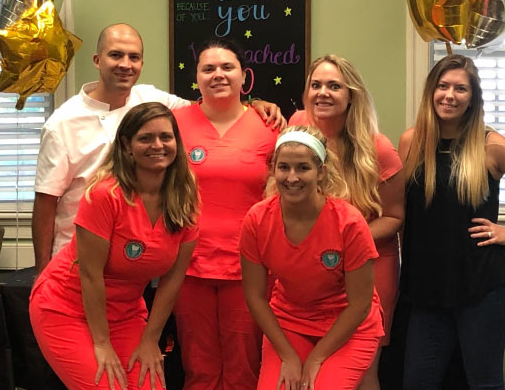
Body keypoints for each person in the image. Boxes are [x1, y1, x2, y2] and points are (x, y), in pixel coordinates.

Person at [32, 23, 283, 273]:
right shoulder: (62, 123)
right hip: (76, 255)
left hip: (136, 255)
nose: (125, 64)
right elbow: (45, 202)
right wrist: (41, 272)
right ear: (98, 60)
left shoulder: (152, 100)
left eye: (134, 57)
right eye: (116, 55)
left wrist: (254, 103)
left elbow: (209, 108)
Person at [398, 54, 505, 390]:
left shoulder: (491, 146)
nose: (450, 95)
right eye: (443, 86)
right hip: (426, 285)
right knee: (417, 382)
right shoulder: (411, 141)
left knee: (483, 382)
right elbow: (400, 210)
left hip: (482, 284)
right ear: (431, 91)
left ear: (472, 98)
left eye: (460, 88)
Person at [29, 102, 199, 390]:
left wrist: (149, 340)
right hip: (66, 307)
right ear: (127, 146)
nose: (157, 145)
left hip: (125, 313)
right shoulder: (104, 195)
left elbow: (173, 280)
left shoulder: (185, 200)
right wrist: (102, 343)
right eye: (145, 138)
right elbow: (90, 274)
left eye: (166, 137)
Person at [172, 38, 281, 390]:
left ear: (244, 75)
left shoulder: (271, 126)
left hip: (249, 266)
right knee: (198, 367)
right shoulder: (174, 124)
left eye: (227, 67)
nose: (218, 74)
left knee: (244, 367)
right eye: (208, 68)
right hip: (188, 265)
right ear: (197, 78)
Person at [289, 55, 404, 390]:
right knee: (316, 369)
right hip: (312, 269)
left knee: (363, 371)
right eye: (316, 85)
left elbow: (396, 217)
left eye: (334, 86)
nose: (323, 93)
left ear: (351, 95)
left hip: (369, 267)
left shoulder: (377, 148)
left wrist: (346, 241)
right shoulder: (296, 127)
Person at [240, 126, 384, 390]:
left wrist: (316, 358)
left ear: (321, 172)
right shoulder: (257, 220)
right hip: (289, 322)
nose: (292, 177)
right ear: (273, 170)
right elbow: (255, 296)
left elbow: (360, 305)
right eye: (284, 167)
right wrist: (287, 355)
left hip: (348, 326)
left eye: (303, 168)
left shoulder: (349, 223)